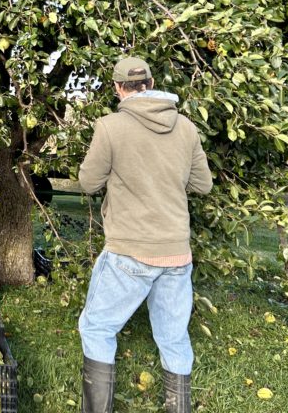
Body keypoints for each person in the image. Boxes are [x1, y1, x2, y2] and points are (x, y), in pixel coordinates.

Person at [77, 57, 213, 413]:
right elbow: (203, 184)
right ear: (150, 82)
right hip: (176, 253)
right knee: (173, 338)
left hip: (129, 252)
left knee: (96, 328)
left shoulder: (110, 126)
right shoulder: (185, 127)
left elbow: (88, 183)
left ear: (118, 88)